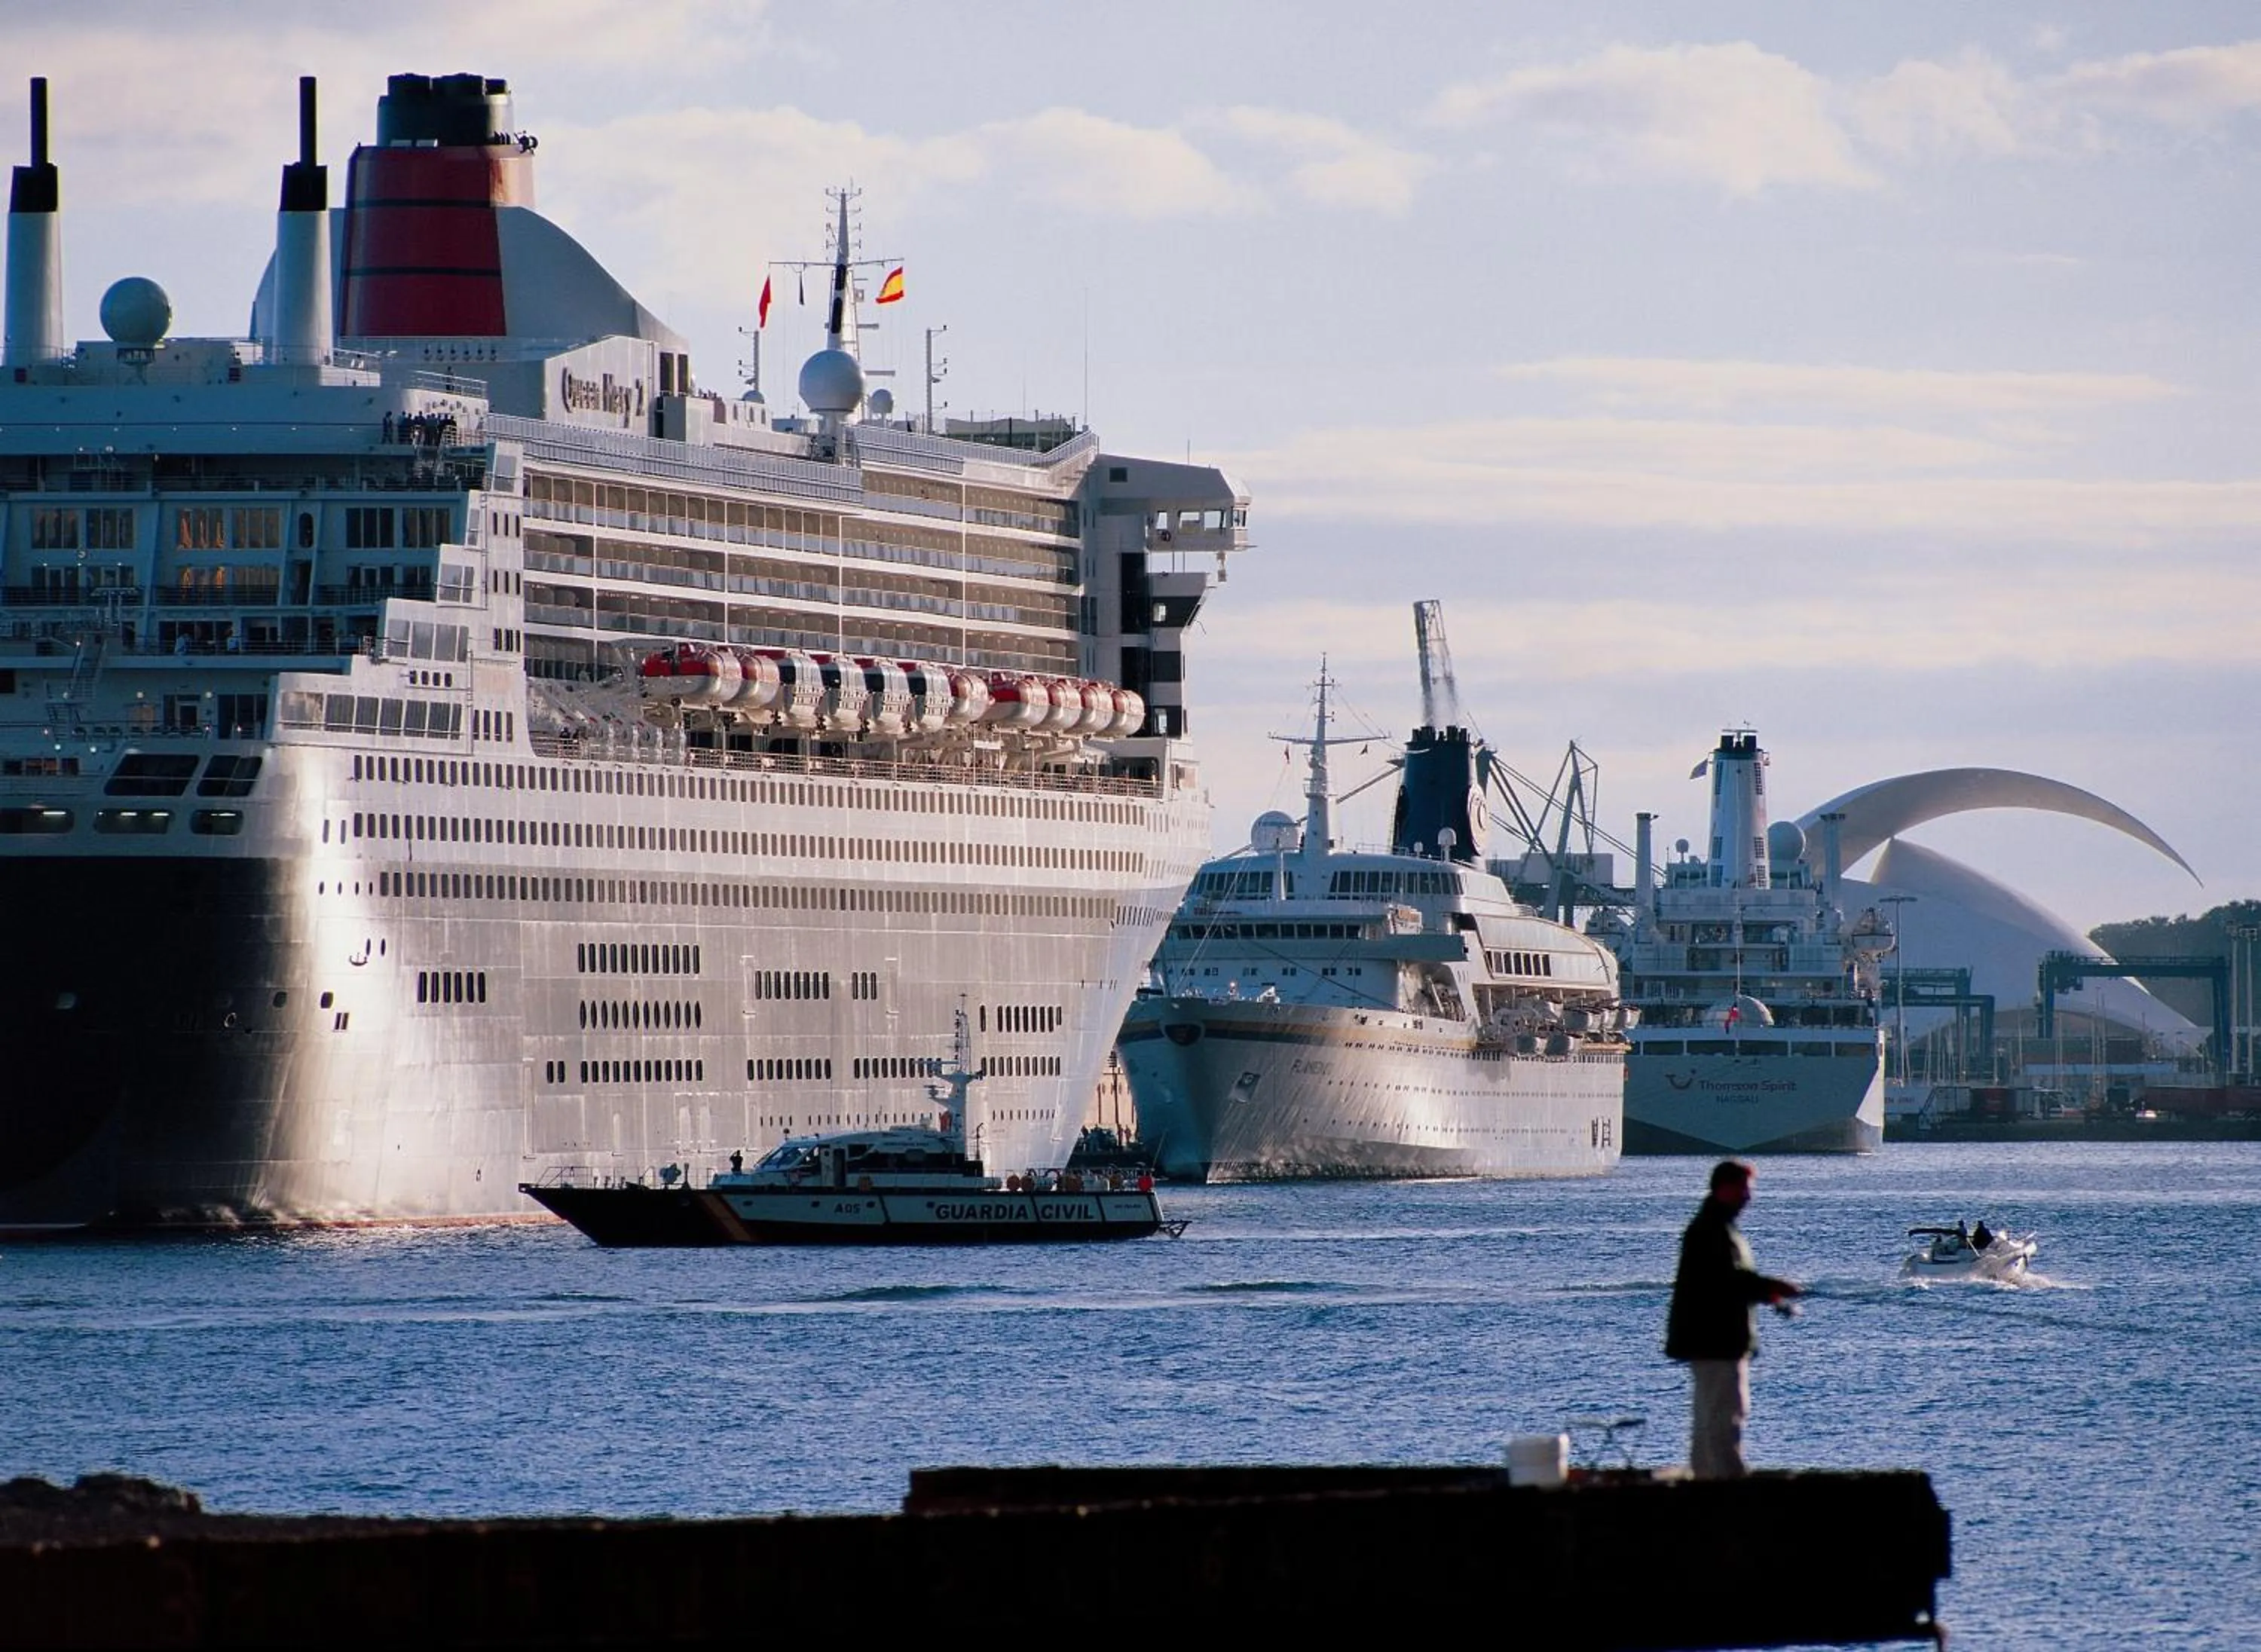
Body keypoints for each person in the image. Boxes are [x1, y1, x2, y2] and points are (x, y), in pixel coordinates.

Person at [1665, 1159, 1801, 1479]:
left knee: (1708, 1420)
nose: (1749, 1197)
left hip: (1709, 1341)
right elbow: (1726, 1281)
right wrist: (1771, 1287)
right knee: (1725, 1418)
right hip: (1718, 1343)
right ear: (1726, 1189)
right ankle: (1728, 1487)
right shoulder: (1713, 1231)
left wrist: (1767, 1293)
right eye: (1745, 1189)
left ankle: (1707, 1480)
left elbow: (1723, 1281)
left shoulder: (1711, 1228)